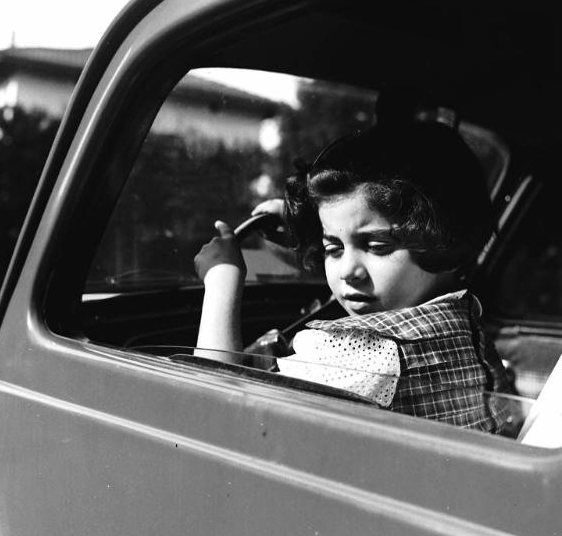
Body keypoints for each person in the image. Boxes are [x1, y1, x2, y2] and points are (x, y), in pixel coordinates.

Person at [194, 99, 509, 432]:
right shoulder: (463, 323)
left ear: (443, 237)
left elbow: (215, 420)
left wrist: (221, 283)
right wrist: (311, 230)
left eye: (376, 246)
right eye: (333, 248)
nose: (348, 271)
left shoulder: (365, 350)